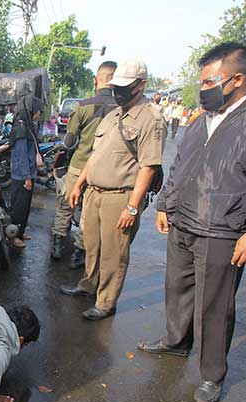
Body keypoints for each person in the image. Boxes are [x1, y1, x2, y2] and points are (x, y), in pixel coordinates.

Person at [138, 42, 246, 402]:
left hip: (224, 230)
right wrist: (166, 204)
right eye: (202, 82)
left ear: (238, 79)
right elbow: (180, 167)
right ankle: (177, 341)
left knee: (214, 305)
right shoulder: (200, 123)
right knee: (176, 288)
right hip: (184, 223)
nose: (203, 89)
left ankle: (212, 374)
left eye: (210, 81)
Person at [60, 60, 166, 321]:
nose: (118, 92)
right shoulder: (113, 116)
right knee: (92, 246)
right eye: (116, 86)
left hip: (120, 196)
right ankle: (89, 286)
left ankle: (106, 302)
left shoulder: (149, 118)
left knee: (113, 253)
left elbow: (148, 166)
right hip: (94, 192)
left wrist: (132, 206)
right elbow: (95, 155)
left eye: (124, 87)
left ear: (141, 86)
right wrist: (79, 183)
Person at [51, 61, 118, 268]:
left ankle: (58, 244)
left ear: (95, 80)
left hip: (79, 164)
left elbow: (69, 141)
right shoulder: (122, 108)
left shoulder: (82, 106)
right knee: (89, 214)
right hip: (107, 171)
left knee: (65, 205)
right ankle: (79, 253)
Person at [8, 95, 44, 248]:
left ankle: (20, 231)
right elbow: (21, 155)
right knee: (19, 206)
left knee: (25, 205)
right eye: (38, 111)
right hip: (22, 175)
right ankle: (13, 236)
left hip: (29, 173)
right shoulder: (21, 128)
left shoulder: (28, 126)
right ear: (31, 109)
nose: (39, 114)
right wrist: (26, 177)